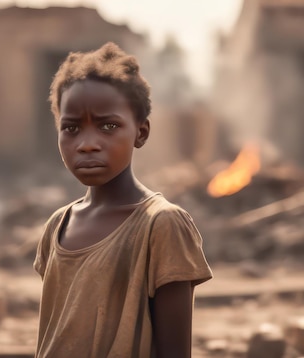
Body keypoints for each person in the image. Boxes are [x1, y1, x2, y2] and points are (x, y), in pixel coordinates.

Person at [33, 42, 213, 358]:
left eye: (108, 126)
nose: (87, 144)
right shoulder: (58, 226)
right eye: (71, 128)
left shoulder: (161, 225)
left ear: (140, 133)